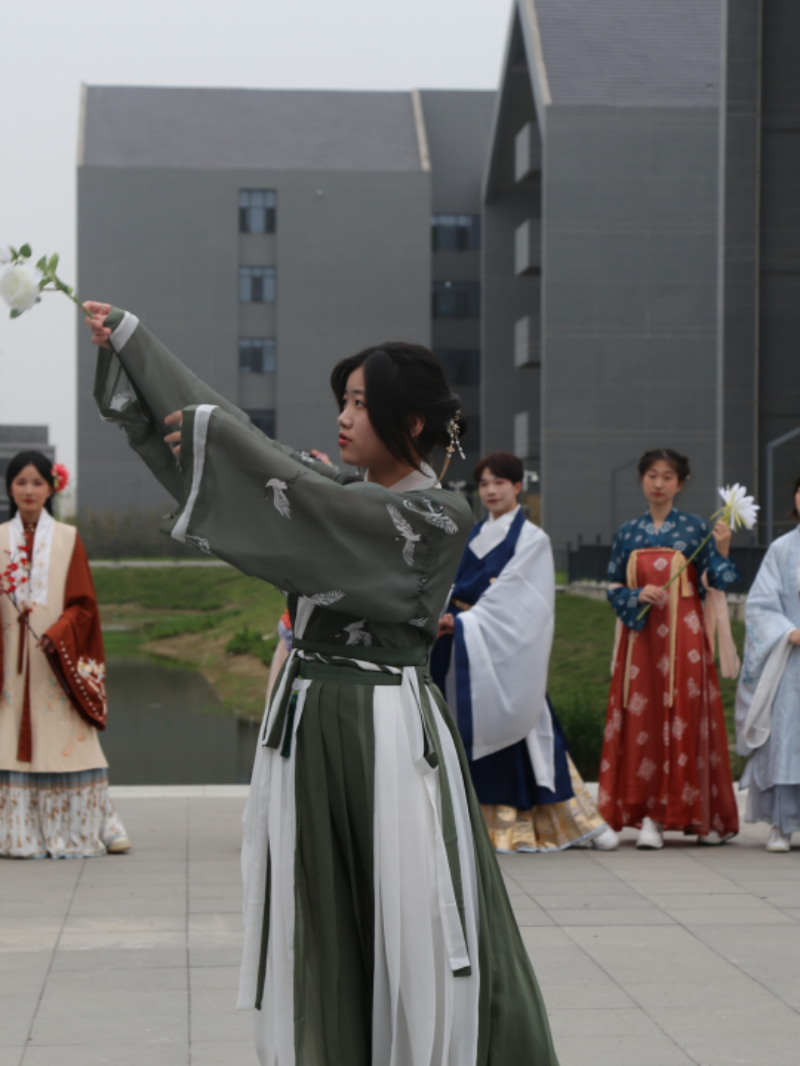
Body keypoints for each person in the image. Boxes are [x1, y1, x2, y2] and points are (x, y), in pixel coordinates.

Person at [83, 303, 560, 1066]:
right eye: (343, 400)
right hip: (312, 722)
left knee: (407, 917)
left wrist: (224, 442)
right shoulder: (336, 490)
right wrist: (138, 349)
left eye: (361, 403)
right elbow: (265, 464)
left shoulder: (435, 516)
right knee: (323, 913)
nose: (343, 417)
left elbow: (296, 489)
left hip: (385, 732)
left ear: (411, 423)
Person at [431, 451, 617, 853]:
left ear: (518, 486)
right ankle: (466, 823)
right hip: (459, 644)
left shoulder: (532, 539)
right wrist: (443, 616)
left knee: (526, 724)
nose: (491, 491)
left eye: (500, 482)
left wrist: (465, 622)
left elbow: (524, 601)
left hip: (501, 648)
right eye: (484, 484)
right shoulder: (471, 536)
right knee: (458, 731)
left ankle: (566, 821)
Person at [599, 448, 740, 849]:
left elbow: (718, 580)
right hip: (641, 640)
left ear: (680, 483)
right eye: (652, 475)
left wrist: (722, 549)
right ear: (642, 479)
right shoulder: (628, 532)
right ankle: (644, 813)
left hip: (684, 638)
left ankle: (690, 814)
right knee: (640, 717)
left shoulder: (697, 528)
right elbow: (613, 585)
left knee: (685, 716)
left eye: (667, 477)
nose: (658, 483)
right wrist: (635, 594)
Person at [0, 451, 129, 858]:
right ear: (9, 488)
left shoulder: (68, 538)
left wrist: (58, 634)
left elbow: (83, 605)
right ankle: (14, 833)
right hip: (9, 666)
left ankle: (99, 824)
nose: (29, 490)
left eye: (37, 482)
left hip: (56, 662)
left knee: (70, 739)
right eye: (21, 482)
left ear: (51, 488)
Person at [735, 475, 800, 853]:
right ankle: (781, 824)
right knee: (785, 738)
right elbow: (760, 604)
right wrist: (788, 632)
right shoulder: (782, 549)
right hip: (789, 660)